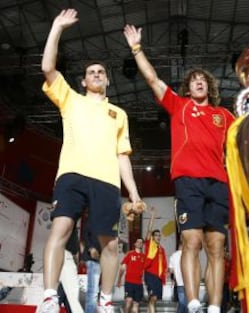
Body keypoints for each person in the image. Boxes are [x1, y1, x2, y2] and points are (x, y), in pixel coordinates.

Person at [123, 25, 235, 313]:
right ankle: (194, 302)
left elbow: (242, 146)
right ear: (189, 87)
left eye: (203, 80)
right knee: (191, 241)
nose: (199, 82)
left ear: (210, 86)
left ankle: (214, 307)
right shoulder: (180, 106)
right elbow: (152, 79)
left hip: (218, 184)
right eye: (194, 80)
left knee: (216, 247)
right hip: (188, 182)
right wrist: (136, 49)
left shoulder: (225, 116)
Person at [36, 9, 142, 313]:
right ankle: (48, 297)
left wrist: (133, 191)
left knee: (110, 244)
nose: (96, 75)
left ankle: (106, 301)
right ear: (83, 82)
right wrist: (56, 26)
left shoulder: (119, 114)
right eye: (91, 73)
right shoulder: (70, 99)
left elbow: (122, 155)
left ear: (107, 81)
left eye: (101, 72)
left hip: (107, 181)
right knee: (61, 230)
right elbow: (47, 66)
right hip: (71, 175)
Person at [143, 208, 168, 313]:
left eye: (159, 235)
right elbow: (149, 230)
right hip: (150, 274)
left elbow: (164, 264)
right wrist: (153, 215)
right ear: (152, 237)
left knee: (154, 299)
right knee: (153, 298)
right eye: (156, 235)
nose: (158, 237)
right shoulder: (150, 244)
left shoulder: (162, 249)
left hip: (158, 277)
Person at [58, 226, 83, 313]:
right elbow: (75, 248)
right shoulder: (70, 223)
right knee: (71, 295)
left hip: (64, 256)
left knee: (65, 291)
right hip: (65, 256)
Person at [117, 238, 145, 313]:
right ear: (135, 244)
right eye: (138, 241)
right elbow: (122, 268)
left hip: (139, 284)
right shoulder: (130, 254)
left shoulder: (144, 256)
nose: (139, 243)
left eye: (141, 242)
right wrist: (119, 280)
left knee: (136, 305)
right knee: (128, 302)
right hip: (129, 282)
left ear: (142, 245)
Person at [82, 223, 101, 313]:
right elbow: (85, 233)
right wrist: (90, 248)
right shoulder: (94, 217)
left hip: (102, 259)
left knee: (96, 290)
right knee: (93, 291)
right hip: (92, 257)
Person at [169, 242, 187, 313]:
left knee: (182, 302)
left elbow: (171, 270)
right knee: (186, 303)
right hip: (189, 283)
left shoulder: (173, 255)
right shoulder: (188, 254)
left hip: (179, 282)